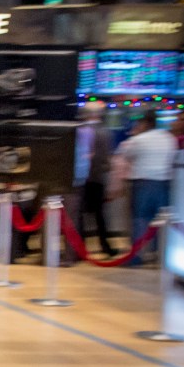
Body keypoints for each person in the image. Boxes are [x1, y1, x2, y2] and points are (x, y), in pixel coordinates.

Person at [118, 107, 178, 266]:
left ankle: (136, 256)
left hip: (142, 183)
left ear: (145, 123)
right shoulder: (169, 138)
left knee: (140, 219)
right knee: (161, 221)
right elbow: (173, 158)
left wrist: (135, 135)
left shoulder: (139, 139)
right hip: (164, 183)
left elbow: (127, 156)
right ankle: (161, 255)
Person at [75, 101, 116, 259]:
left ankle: (80, 249)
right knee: (99, 214)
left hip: (81, 177)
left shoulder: (79, 130)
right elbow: (106, 159)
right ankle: (105, 246)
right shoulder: (105, 132)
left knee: (80, 214)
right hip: (98, 178)